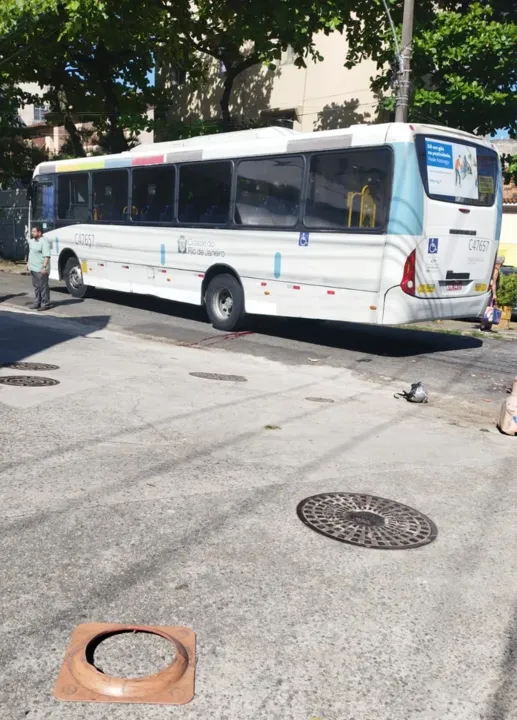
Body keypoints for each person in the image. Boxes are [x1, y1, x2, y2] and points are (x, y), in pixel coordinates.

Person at [27, 225, 51, 311]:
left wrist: (44, 267)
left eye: (34, 231)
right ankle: (37, 302)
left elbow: (46, 256)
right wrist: (28, 264)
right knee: (36, 287)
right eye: (32, 231)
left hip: (41, 269)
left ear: (39, 232)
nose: (32, 233)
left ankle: (45, 304)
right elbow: (31, 253)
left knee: (43, 287)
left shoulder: (44, 242)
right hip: (33, 268)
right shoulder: (33, 241)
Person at [480, 255, 505, 331]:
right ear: (500, 262)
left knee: (488, 309)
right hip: (491, 292)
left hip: (488, 291)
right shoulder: (496, 270)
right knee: (489, 310)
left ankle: (484, 326)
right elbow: (493, 283)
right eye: (503, 262)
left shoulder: (491, 268)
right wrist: (494, 294)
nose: (503, 264)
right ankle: (485, 326)